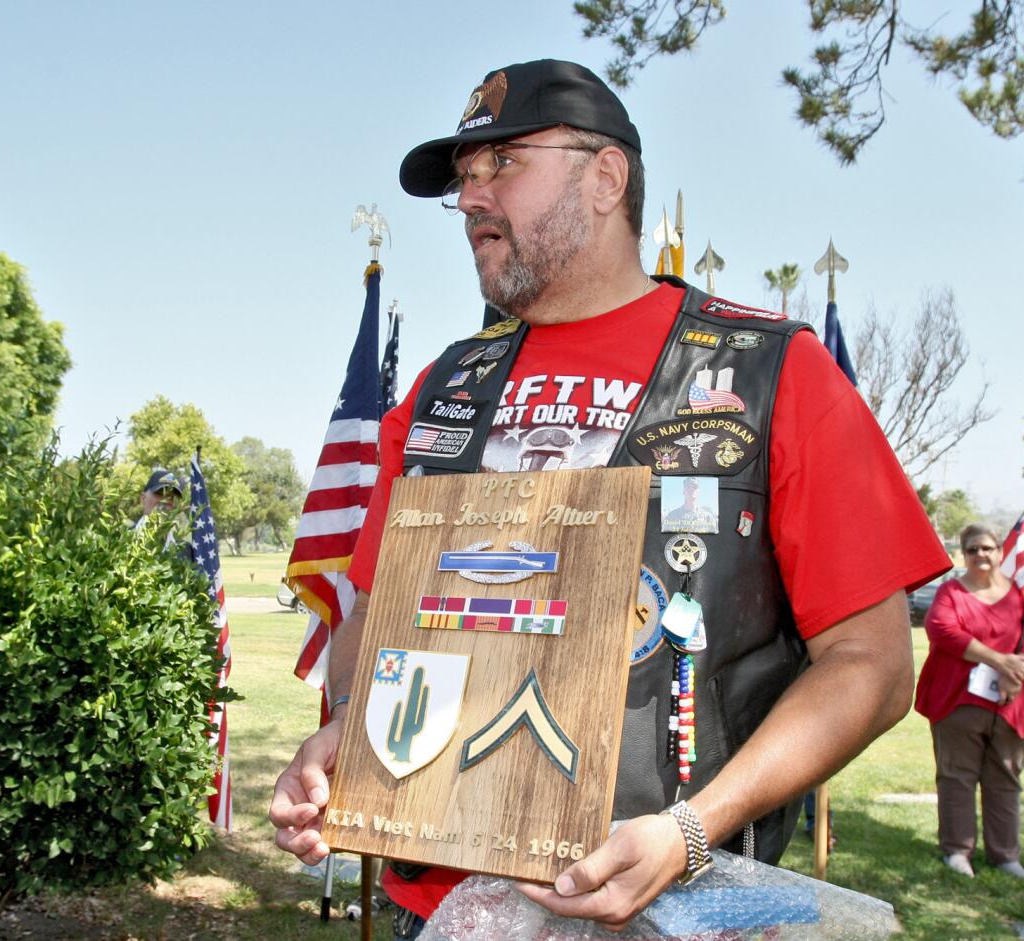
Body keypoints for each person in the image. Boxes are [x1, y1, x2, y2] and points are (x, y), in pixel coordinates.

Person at [268, 58, 951, 933]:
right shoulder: (443, 389)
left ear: (605, 177)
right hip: (436, 911)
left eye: (502, 165)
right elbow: (373, 617)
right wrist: (349, 738)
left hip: (672, 912)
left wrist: (690, 831)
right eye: (464, 180)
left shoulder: (772, 371)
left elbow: (873, 665)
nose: (474, 197)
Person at [914, 523, 1024, 879]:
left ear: (1000, 552)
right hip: (958, 703)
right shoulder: (951, 593)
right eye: (973, 549)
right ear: (964, 555)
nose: (982, 555)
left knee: (1005, 778)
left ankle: (1005, 855)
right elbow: (943, 630)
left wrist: (1020, 667)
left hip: (1011, 705)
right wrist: (1000, 660)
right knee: (956, 777)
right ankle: (958, 850)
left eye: (988, 548)